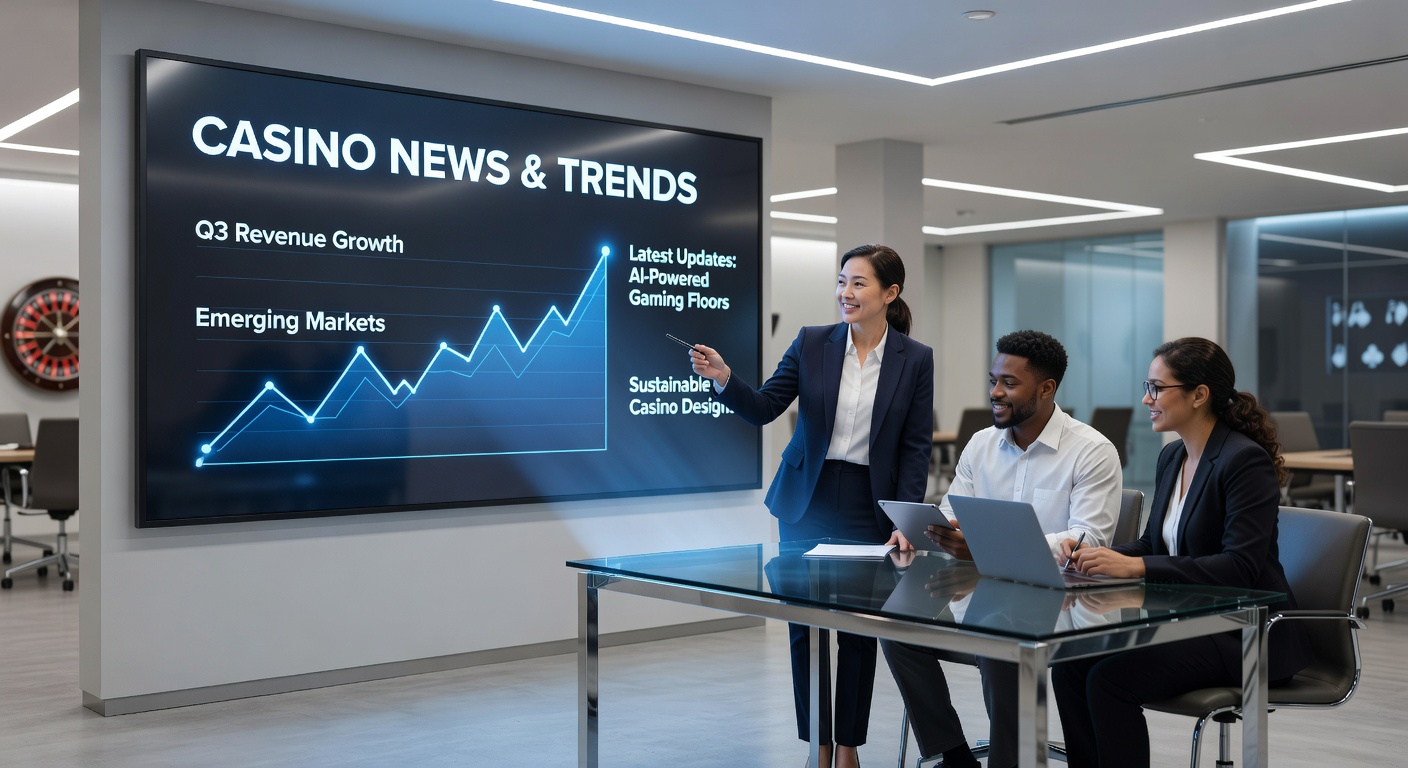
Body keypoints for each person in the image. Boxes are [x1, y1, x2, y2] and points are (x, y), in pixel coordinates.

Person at [689, 244, 932, 768]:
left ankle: (848, 748)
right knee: (806, 628)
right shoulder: (812, 342)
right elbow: (764, 407)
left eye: (860, 283)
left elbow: (916, 446)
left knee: (859, 630)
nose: (846, 292)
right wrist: (725, 379)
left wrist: (907, 517)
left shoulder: (915, 359)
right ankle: (817, 747)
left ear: (890, 294)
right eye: (842, 281)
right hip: (807, 501)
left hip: (871, 506)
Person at [1053, 337, 1312, 768]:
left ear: (1198, 395)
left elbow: (1240, 568)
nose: (1146, 398)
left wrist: (1135, 566)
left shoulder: (1243, 462)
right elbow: (1156, 544)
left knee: (1110, 679)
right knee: (1070, 665)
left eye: (1157, 388)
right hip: (1193, 623)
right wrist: (1096, 556)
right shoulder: (1174, 456)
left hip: (1245, 634)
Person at [881, 330, 1122, 768]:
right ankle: (953, 756)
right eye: (993, 380)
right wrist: (927, 529)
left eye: (1009, 383)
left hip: (1062, 606)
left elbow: (1089, 543)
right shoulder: (980, 444)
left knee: (999, 637)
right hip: (983, 595)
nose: (995, 392)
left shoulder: (1092, 451)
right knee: (896, 628)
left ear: (1046, 389)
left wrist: (983, 547)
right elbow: (953, 508)